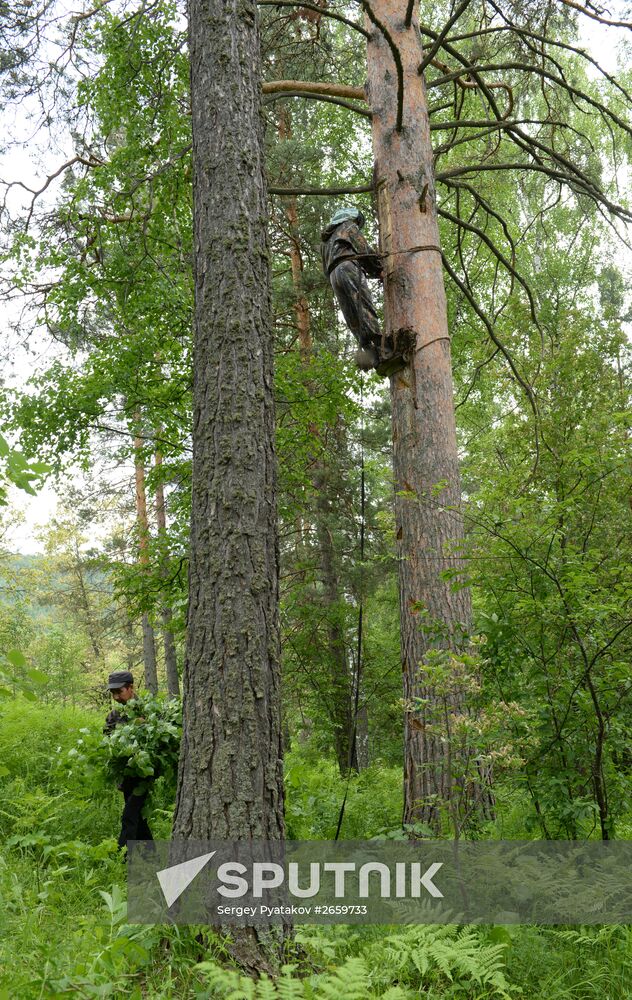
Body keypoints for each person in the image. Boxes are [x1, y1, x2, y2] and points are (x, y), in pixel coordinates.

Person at [321, 205, 385, 370]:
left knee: (351, 316)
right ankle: (382, 347)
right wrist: (379, 268)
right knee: (363, 305)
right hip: (348, 266)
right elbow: (363, 249)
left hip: (333, 276)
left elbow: (324, 267)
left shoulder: (326, 241)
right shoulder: (348, 225)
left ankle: (371, 353)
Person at [104, 670, 153, 850]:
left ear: (131, 688)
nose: (116, 697)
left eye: (120, 692)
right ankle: (150, 854)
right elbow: (108, 739)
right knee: (137, 816)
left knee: (129, 816)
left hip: (143, 774)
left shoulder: (147, 709)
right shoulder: (113, 715)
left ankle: (122, 857)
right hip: (126, 774)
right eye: (113, 693)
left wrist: (144, 724)